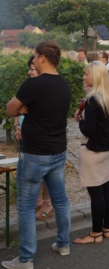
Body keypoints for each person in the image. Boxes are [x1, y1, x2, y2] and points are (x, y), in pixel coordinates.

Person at [4, 41, 71, 268]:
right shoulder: (64, 83)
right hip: (58, 150)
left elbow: (10, 109)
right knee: (60, 200)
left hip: (34, 153)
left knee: (25, 205)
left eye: (34, 56)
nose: (32, 60)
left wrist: (22, 108)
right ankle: (63, 244)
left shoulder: (33, 84)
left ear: (42, 57)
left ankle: (25, 259)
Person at [72, 61, 109, 245]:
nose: (84, 77)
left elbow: (88, 130)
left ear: (96, 76)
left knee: (96, 192)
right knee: (106, 187)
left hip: (92, 150)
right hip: (108, 148)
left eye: (87, 74)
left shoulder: (93, 100)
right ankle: (107, 228)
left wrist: (80, 120)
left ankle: (95, 233)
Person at [13, 57, 54, 221]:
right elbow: (16, 107)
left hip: (41, 138)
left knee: (45, 172)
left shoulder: (49, 88)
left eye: (33, 69)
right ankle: (37, 200)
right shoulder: (28, 86)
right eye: (30, 69)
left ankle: (48, 203)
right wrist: (17, 126)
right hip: (25, 134)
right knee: (31, 171)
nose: (30, 72)